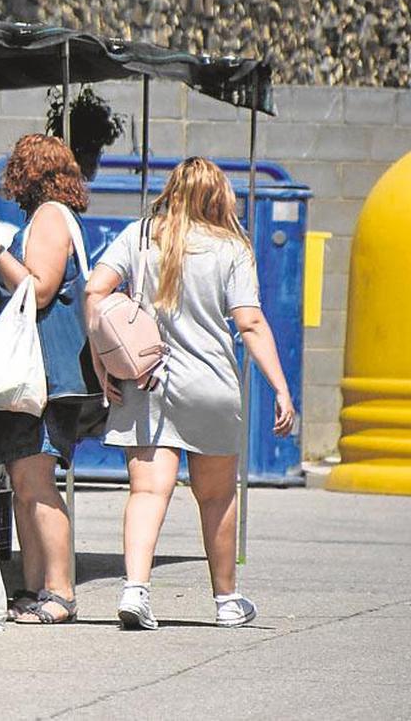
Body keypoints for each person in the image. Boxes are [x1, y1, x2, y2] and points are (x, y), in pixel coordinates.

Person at [85, 156, 295, 630]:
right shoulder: (232, 248)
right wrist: (280, 388)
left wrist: (103, 358)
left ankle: (136, 590)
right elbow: (250, 322)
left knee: (146, 490)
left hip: (146, 380)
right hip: (212, 384)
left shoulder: (140, 236)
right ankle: (226, 602)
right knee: (217, 497)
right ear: (217, 196)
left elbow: (95, 292)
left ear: (171, 190)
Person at [0, 134, 101, 625]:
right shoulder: (52, 216)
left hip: (43, 374)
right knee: (25, 484)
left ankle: (60, 591)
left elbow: (39, 289)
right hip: (38, 374)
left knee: (36, 483)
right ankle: (32, 586)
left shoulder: (48, 217)